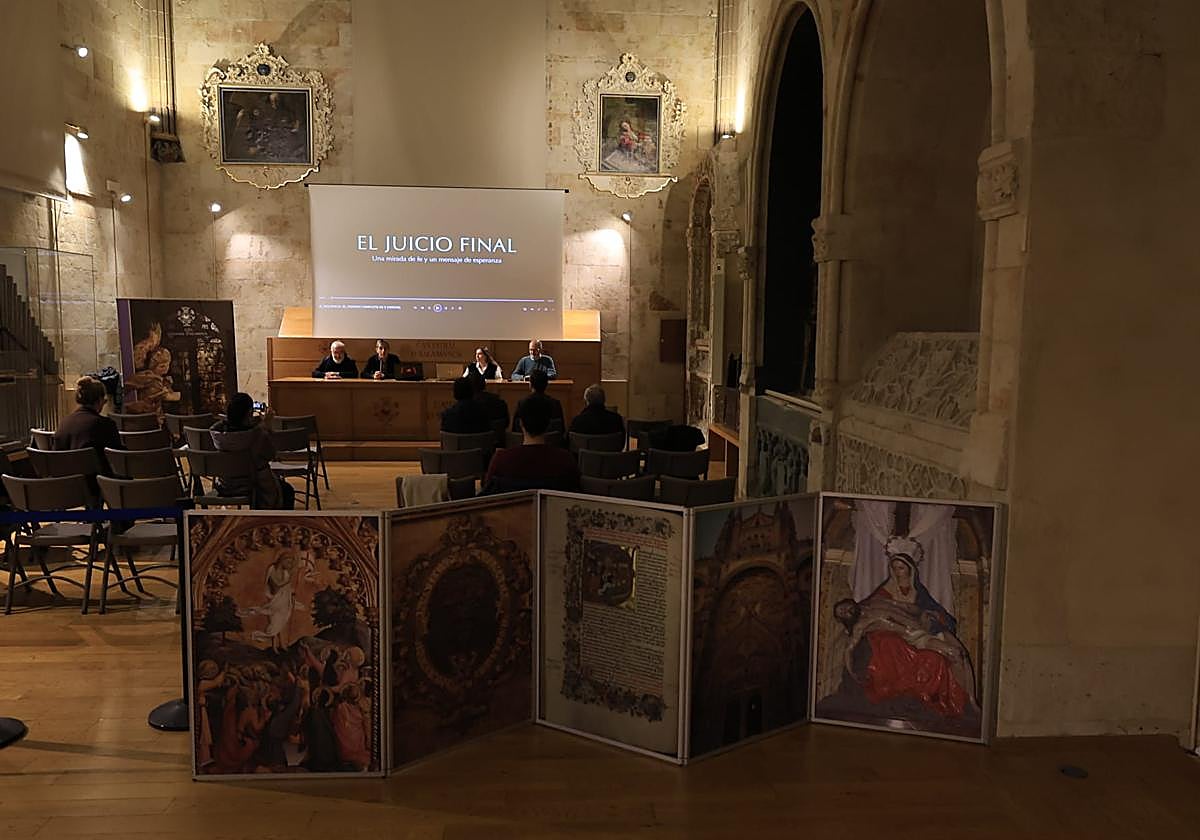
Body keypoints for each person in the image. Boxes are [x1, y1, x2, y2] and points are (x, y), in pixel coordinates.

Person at [209, 392, 295, 509]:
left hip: (225, 485)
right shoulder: (257, 435)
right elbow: (270, 454)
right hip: (252, 485)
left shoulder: (218, 436)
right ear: (249, 414)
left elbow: (237, 429)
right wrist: (266, 427)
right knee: (287, 490)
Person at [483, 394, 579, 493]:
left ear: (520, 423)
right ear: (549, 424)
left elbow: (487, 495)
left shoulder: (500, 460)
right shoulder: (566, 460)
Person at [53, 376, 122, 474]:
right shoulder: (105, 425)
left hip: (67, 486)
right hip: (98, 486)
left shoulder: (63, 423)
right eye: (104, 401)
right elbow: (119, 459)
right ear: (99, 400)